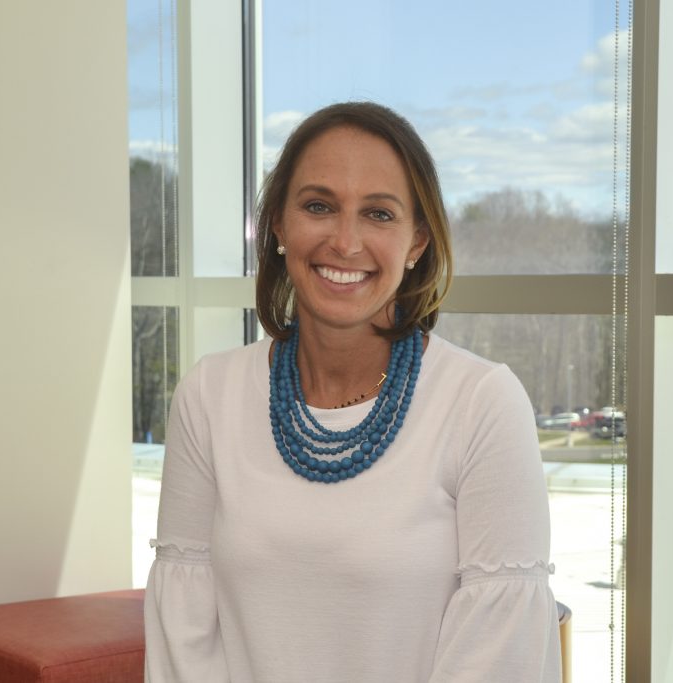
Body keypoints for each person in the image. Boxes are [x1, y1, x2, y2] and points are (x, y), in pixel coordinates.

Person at [144, 101, 561, 682]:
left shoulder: (482, 402)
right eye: (318, 206)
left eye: (379, 214)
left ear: (417, 242)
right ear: (278, 227)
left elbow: (499, 654)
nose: (345, 242)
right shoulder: (208, 396)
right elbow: (182, 635)